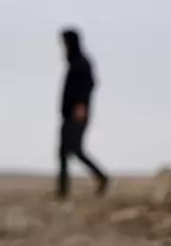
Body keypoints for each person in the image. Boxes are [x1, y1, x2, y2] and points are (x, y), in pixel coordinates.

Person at [57, 27, 109, 200]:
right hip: (69, 113)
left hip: (77, 114)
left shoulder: (81, 62)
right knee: (63, 151)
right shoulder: (73, 62)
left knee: (75, 150)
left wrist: (81, 106)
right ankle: (62, 191)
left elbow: (90, 85)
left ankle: (102, 177)